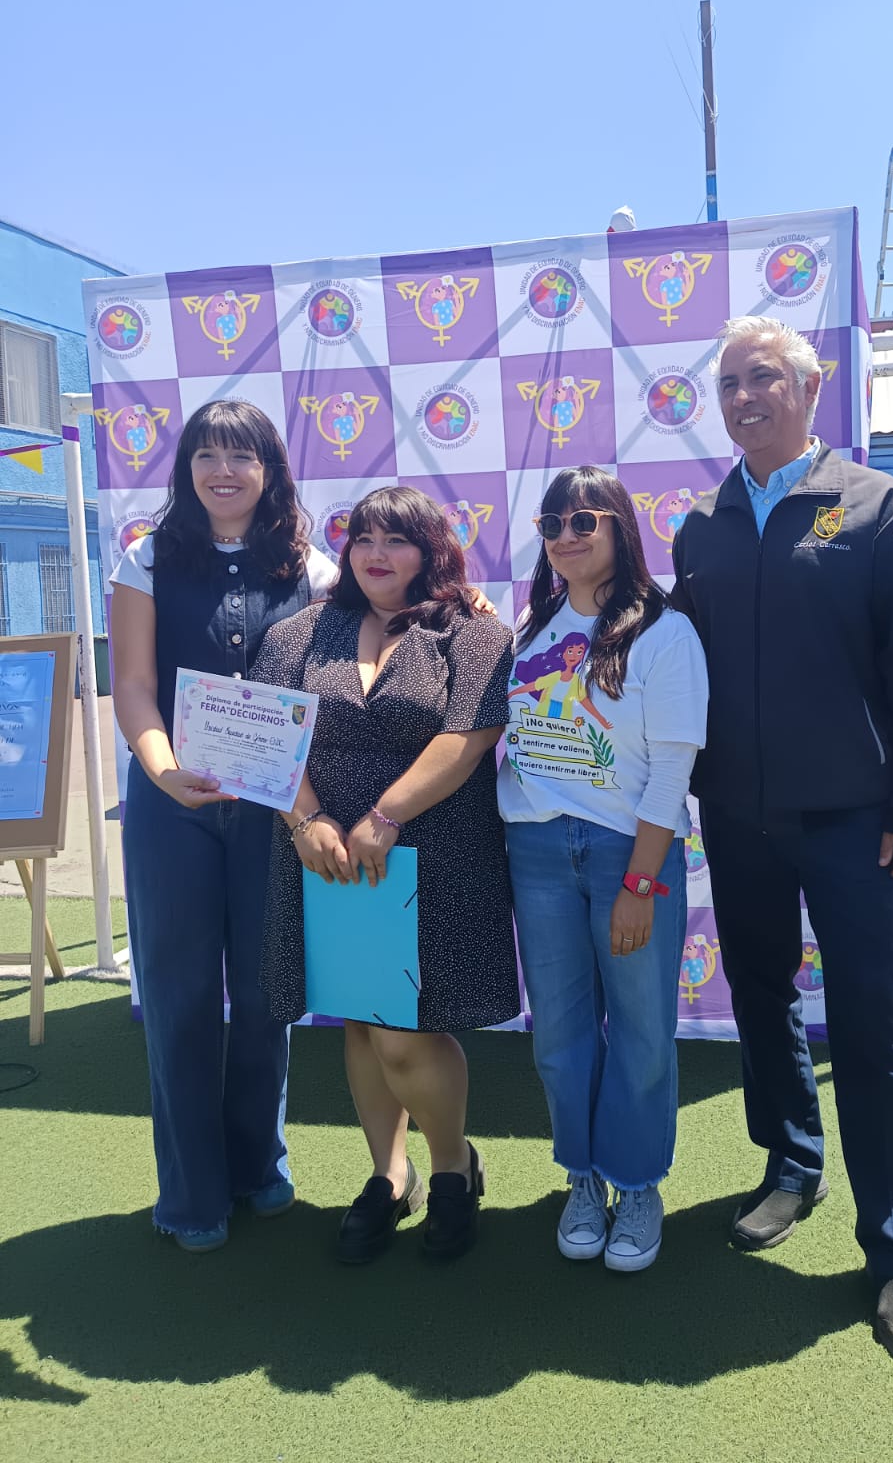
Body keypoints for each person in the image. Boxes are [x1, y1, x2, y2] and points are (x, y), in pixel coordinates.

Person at [671, 316, 893, 1363]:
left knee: (871, 1022)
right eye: (729, 383)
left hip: (853, 821)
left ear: (808, 386)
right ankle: (792, 1165)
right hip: (738, 816)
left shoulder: (873, 506)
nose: (744, 397)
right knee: (760, 997)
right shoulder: (699, 527)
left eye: (763, 377)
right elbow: (677, 667)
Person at [252, 486, 520, 1264]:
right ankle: (389, 1174)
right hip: (325, 859)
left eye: (397, 539)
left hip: (436, 856)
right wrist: (305, 820)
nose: (377, 553)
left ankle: (454, 1166)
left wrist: (387, 815)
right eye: (364, 537)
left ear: (430, 550)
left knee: (406, 1035)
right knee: (362, 1021)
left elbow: (469, 736)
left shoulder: (474, 631)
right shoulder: (303, 631)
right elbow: (263, 733)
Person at [110, 400, 337, 1253]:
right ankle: (191, 1192)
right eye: (205, 454)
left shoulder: (313, 570)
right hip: (172, 809)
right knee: (180, 997)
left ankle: (258, 1163)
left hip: (272, 813)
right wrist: (163, 768)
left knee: (266, 991)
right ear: (186, 469)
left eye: (241, 456)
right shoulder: (147, 558)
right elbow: (134, 685)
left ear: (269, 469)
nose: (223, 471)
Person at [499, 467, 709, 1273]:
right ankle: (583, 1178)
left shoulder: (666, 633)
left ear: (621, 527)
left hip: (629, 853)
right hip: (537, 854)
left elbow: (672, 770)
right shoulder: (531, 627)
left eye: (584, 520)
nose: (566, 536)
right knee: (559, 1032)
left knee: (643, 1030)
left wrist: (640, 885)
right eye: (552, 523)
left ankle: (638, 1183)